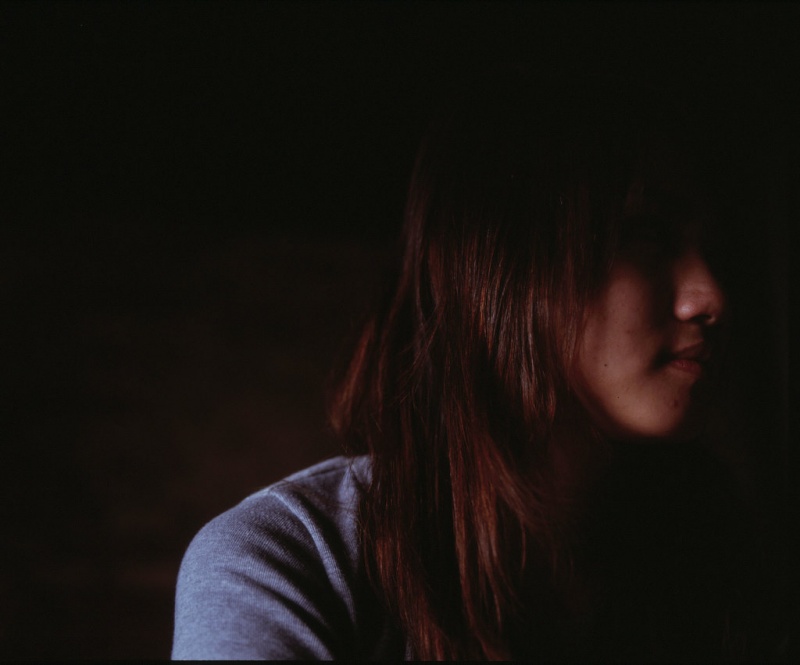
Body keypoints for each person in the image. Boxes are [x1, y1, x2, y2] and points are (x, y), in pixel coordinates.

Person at [172, 71, 791, 660]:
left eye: (714, 250)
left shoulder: (719, 559)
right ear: (509, 259)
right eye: (647, 234)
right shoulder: (285, 562)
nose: (710, 297)